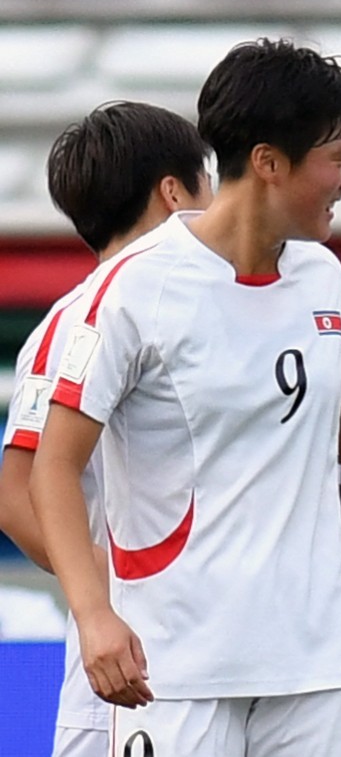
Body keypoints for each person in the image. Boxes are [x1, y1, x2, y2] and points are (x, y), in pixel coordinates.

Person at [29, 39, 341, 757]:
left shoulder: (320, 275)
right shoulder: (133, 289)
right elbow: (53, 466)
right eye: (335, 156)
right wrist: (92, 613)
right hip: (178, 665)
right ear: (271, 163)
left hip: (321, 665)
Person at [0, 100, 212, 757]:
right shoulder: (73, 323)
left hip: (221, 648)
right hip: (124, 663)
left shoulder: (209, 313)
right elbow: (15, 495)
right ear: (174, 193)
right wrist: (112, 585)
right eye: (207, 183)